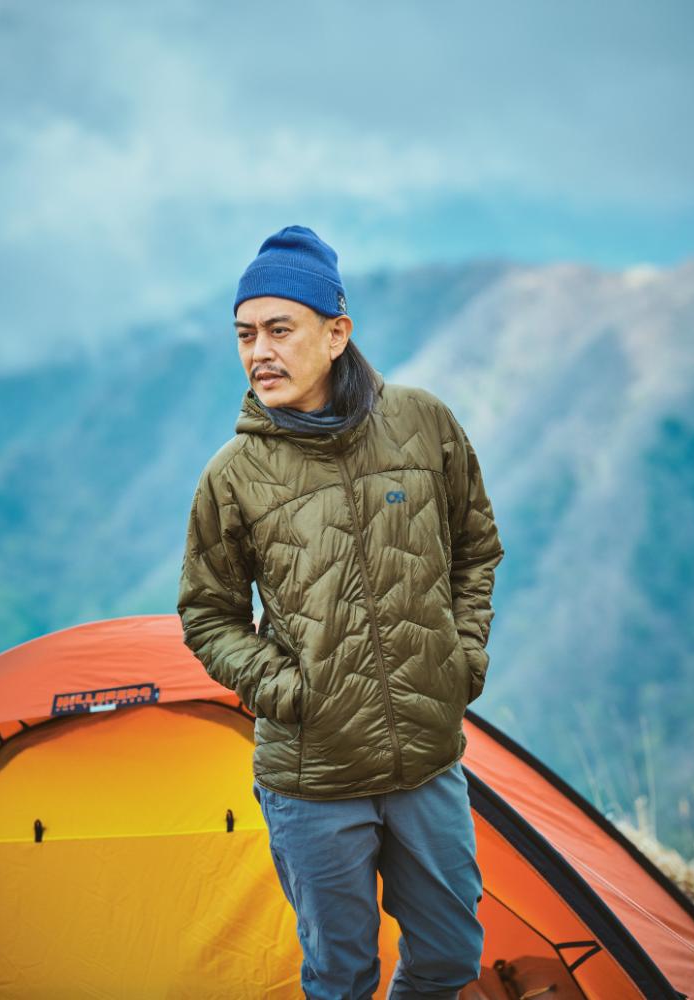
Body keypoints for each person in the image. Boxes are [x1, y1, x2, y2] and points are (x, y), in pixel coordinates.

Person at [176, 225, 505, 1000]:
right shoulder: (233, 477)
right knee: (341, 976)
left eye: (279, 330)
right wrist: (287, 690)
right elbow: (208, 613)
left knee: (450, 956)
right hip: (312, 777)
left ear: (336, 333)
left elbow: (475, 549)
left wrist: (462, 657)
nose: (259, 352)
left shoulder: (424, 424)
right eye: (245, 335)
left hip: (426, 760)